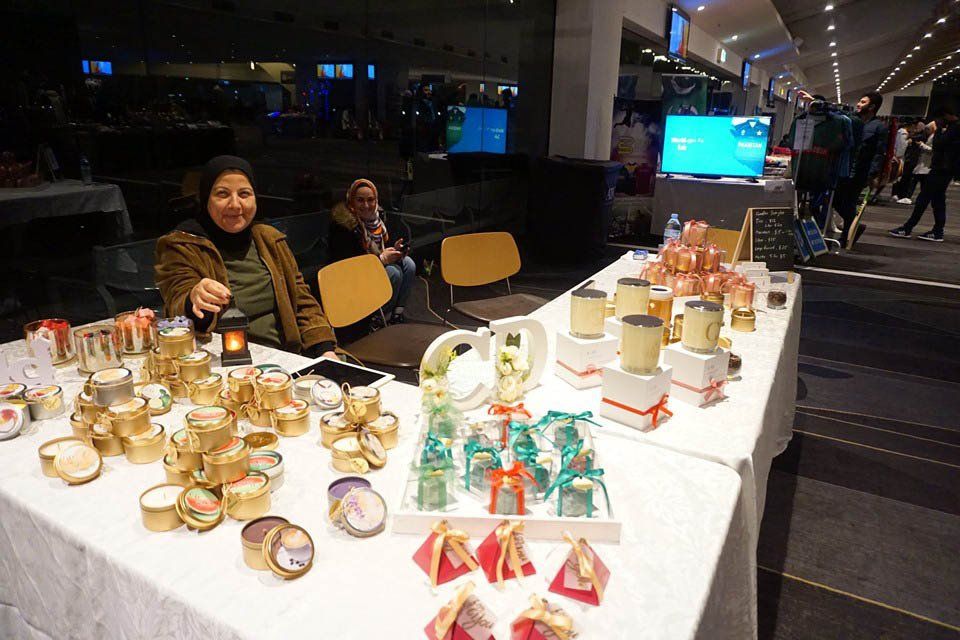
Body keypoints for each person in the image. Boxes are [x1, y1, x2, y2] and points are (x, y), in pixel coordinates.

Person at [155, 155, 338, 357]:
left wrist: (324, 349)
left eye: (244, 194)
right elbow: (176, 300)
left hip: (288, 356)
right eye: (222, 194)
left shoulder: (269, 239)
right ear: (206, 198)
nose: (235, 204)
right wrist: (194, 299)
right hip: (223, 362)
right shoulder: (183, 245)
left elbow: (303, 301)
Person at [329, 179, 415, 325]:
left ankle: (396, 314)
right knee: (394, 273)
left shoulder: (378, 218)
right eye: (360, 200)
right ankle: (375, 319)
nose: (366, 205)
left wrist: (395, 250)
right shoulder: (343, 226)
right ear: (351, 201)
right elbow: (349, 266)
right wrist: (381, 259)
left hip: (373, 265)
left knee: (409, 264)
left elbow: (381, 247)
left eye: (370, 200)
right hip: (351, 276)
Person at [889, 107, 959, 242]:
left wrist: (938, 130)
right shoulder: (952, 128)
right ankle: (936, 231)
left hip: (942, 170)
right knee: (937, 201)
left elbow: (938, 144)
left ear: (947, 115)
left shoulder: (954, 129)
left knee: (924, 199)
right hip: (943, 169)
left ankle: (908, 228)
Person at [832, 92, 888, 246]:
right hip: (845, 167)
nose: (858, 104)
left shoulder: (879, 127)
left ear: (872, 107)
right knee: (835, 199)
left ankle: (846, 236)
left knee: (849, 202)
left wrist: (873, 174)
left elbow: (879, 153)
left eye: (863, 102)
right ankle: (853, 226)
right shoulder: (852, 121)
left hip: (861, 171)